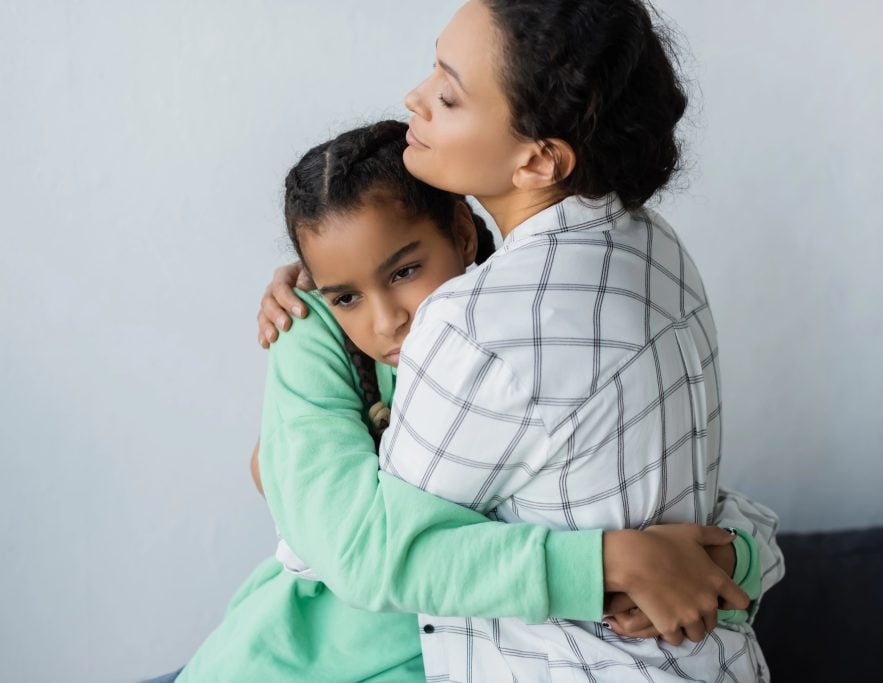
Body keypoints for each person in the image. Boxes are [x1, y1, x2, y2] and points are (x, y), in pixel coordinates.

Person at [258, 0, 785, 679]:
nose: (415, 97)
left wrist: (306, 332)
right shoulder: (654, 248)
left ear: (538, 160)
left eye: (449, 95)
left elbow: (365, 551)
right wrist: (743, 555)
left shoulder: (477, 324)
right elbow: (675, 497)